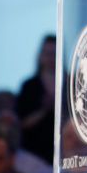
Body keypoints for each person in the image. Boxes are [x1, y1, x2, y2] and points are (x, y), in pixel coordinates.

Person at [15, 35, 57, 163]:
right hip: (35, 152)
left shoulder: (71, 83)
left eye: (54, 54)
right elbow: (22, 123)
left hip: (66, 152)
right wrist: (44, 110)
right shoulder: (29, 86)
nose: (51, 58)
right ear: (40, 55)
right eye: (47, 53)